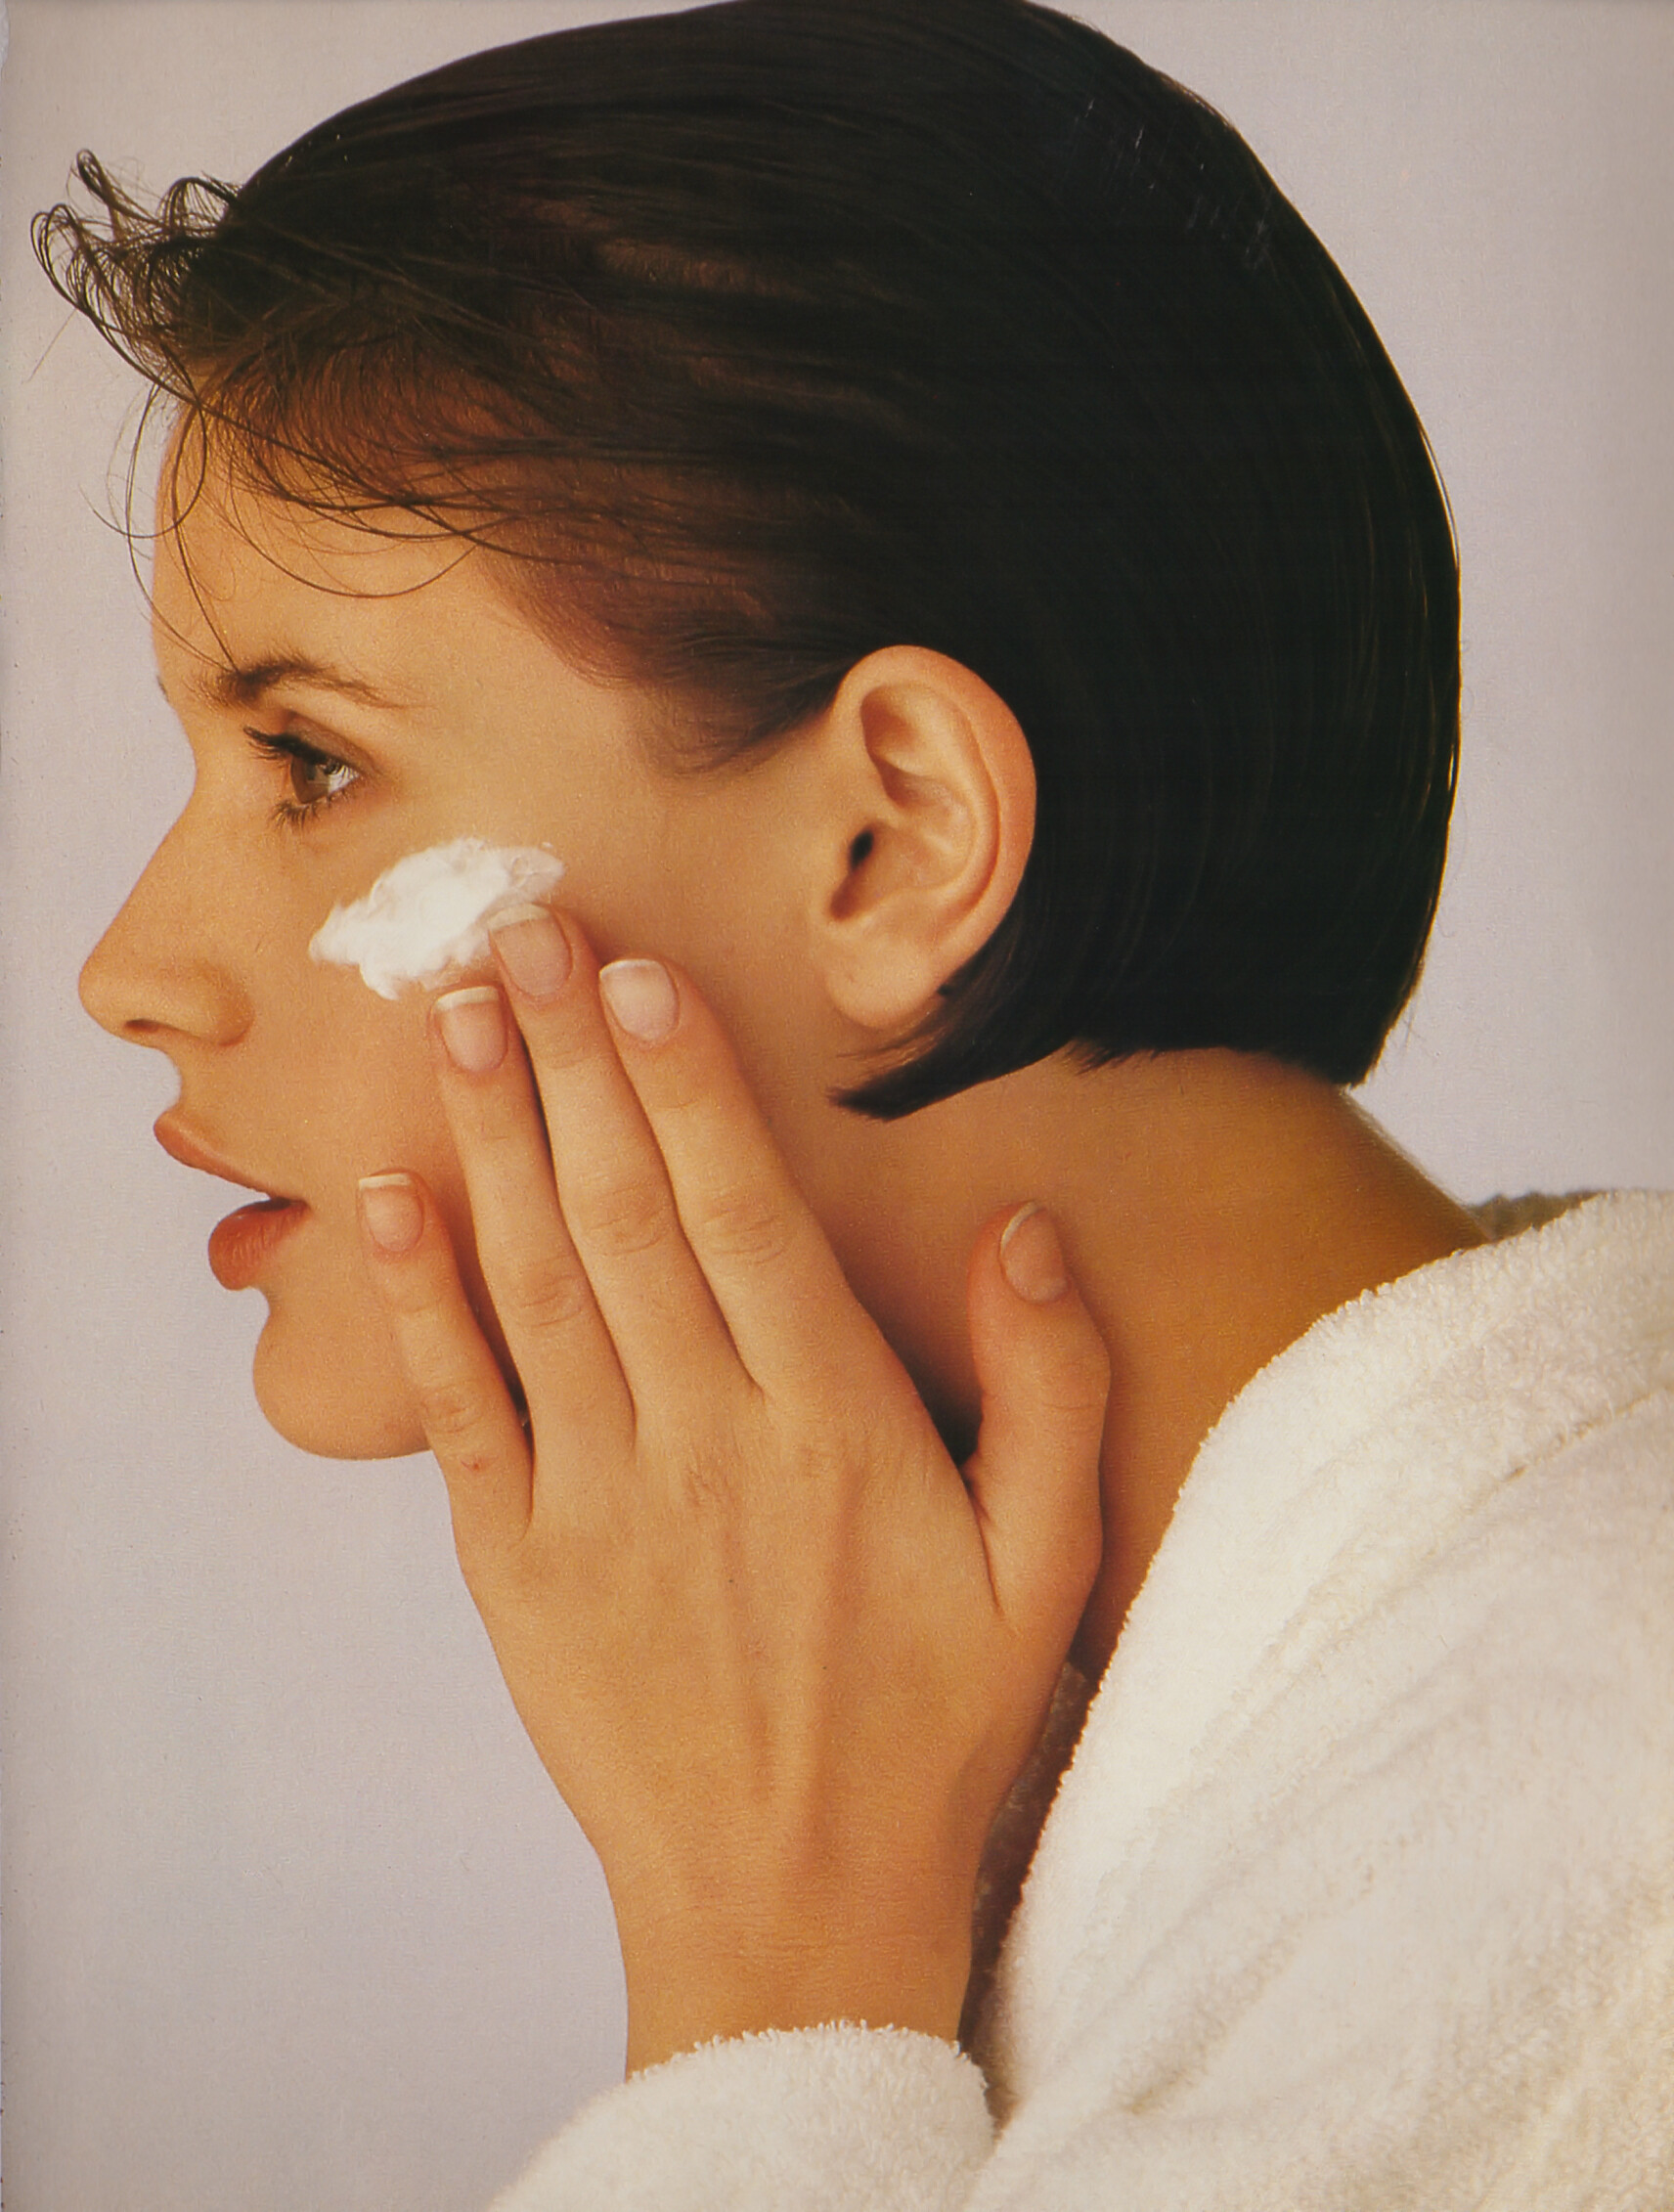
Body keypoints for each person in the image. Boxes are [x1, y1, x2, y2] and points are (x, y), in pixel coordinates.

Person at [35, 0, 1673, 2203]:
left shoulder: (1599, 1891)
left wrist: (759, 2006)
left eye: (311, 764)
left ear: (895, 841)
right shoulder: (1224, 1751)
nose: (130, 972)